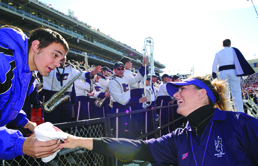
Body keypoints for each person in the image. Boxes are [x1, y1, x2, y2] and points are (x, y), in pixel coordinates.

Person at [61, 76, 258, 166]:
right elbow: (136, 148)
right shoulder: (180, 137)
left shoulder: (240, 123)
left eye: (182, 89)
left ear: (202, 94)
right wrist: (78, 141)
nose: (176, 95)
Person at [0, 26, 67, 160]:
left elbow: (6, 103)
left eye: (60, 59)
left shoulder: (29, 75)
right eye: (55, 55)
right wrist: (19, 145)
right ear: (36, 46)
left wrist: (25, 122)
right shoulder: (3, 62)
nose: (58, 64)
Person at [212, 39, 255, 112]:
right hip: (234, 72)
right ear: (230, 44)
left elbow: (214, 64)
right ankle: (240, 112)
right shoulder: (234, 50)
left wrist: (214, 75)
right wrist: (244, 74)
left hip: (223, 72)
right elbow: (240, 61)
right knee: (237, 93)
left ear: (222, 45)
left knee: (225, 93)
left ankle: (227, 112)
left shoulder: (218, 52)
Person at [121, 56, 144, 138]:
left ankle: (137, 137)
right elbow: (135, 83)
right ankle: (133, 139)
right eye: (130, 62)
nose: (131, 64)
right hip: (132, 96)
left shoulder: (129, 72)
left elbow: (139, 83)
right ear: (126, 64)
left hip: (137, 96)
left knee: (138, 120)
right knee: (133, 120)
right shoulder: (124, 73)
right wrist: (143, 67)